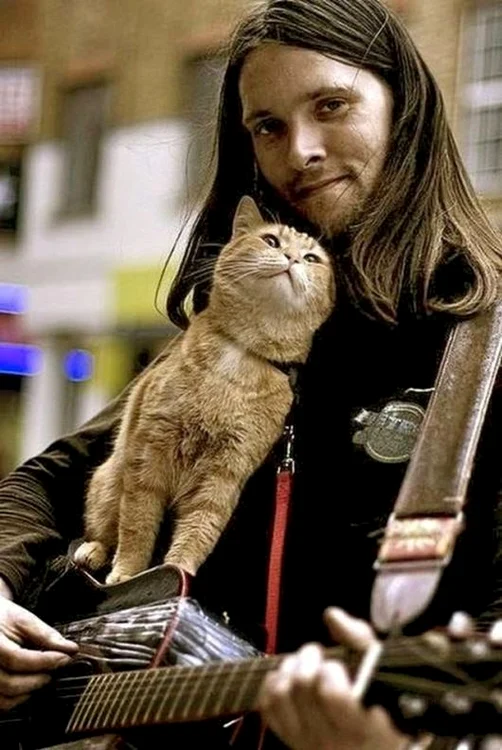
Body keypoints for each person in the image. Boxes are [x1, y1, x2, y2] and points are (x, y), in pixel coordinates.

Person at [0, 0, 502, 748]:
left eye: (331, 106)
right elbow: (50, 477)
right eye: (267, 126)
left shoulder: (480, 342)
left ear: (406, 106)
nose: (299, 149)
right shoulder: (240, 329)